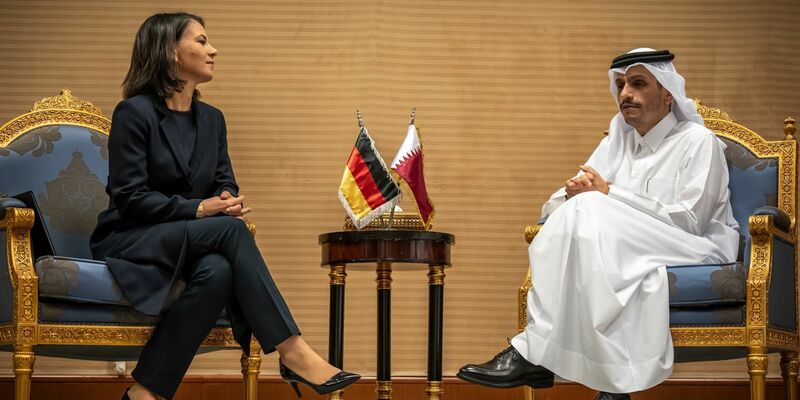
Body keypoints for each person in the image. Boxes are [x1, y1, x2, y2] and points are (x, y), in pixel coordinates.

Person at [90, 12, 360, 400]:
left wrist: (227, 200)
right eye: (200, 41)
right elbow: (130, 197)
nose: (212, 49)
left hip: (190, 239)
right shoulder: (134, 113)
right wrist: (203, 209)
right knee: (229, 232)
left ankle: (144, 393)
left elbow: (223, 180)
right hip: (132, 237)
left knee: (217, 271)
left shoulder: (212, 120)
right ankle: (291, 350)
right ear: (170, 52)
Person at [456, 48, 739, 400]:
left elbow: (691, 220)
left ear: (667, 93)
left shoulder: (697, 141)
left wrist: (608, 195)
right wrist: (572, 194)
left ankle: (534, 353)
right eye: (620, 85)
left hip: (694, 246)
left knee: (590, 207)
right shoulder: (616, 140)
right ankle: (608, 383)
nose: (625, 94)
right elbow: (556, 203)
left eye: (637, 84)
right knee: (579, 212)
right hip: (625, 243)